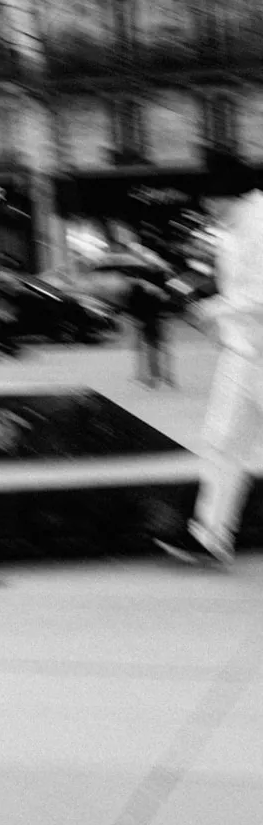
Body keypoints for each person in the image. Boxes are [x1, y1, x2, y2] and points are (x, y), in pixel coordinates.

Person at [155, 152, 263, 567]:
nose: (204, 208)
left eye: (208, 199)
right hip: (243, 352)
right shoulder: (229, 230)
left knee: (226, 444)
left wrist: (212, 308)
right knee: (221, 443)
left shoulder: (258, 224)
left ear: (227, 195)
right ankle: (210, 537)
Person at [126, 276, 174, 388]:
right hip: (156, 322)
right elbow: (166, 307)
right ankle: (167, 376)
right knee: (160, 349)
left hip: (145, 323)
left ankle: (152, 376)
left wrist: (137, 319)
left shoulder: (136, 291)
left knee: (149, 350)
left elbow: (132, 307)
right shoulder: (156, 292)